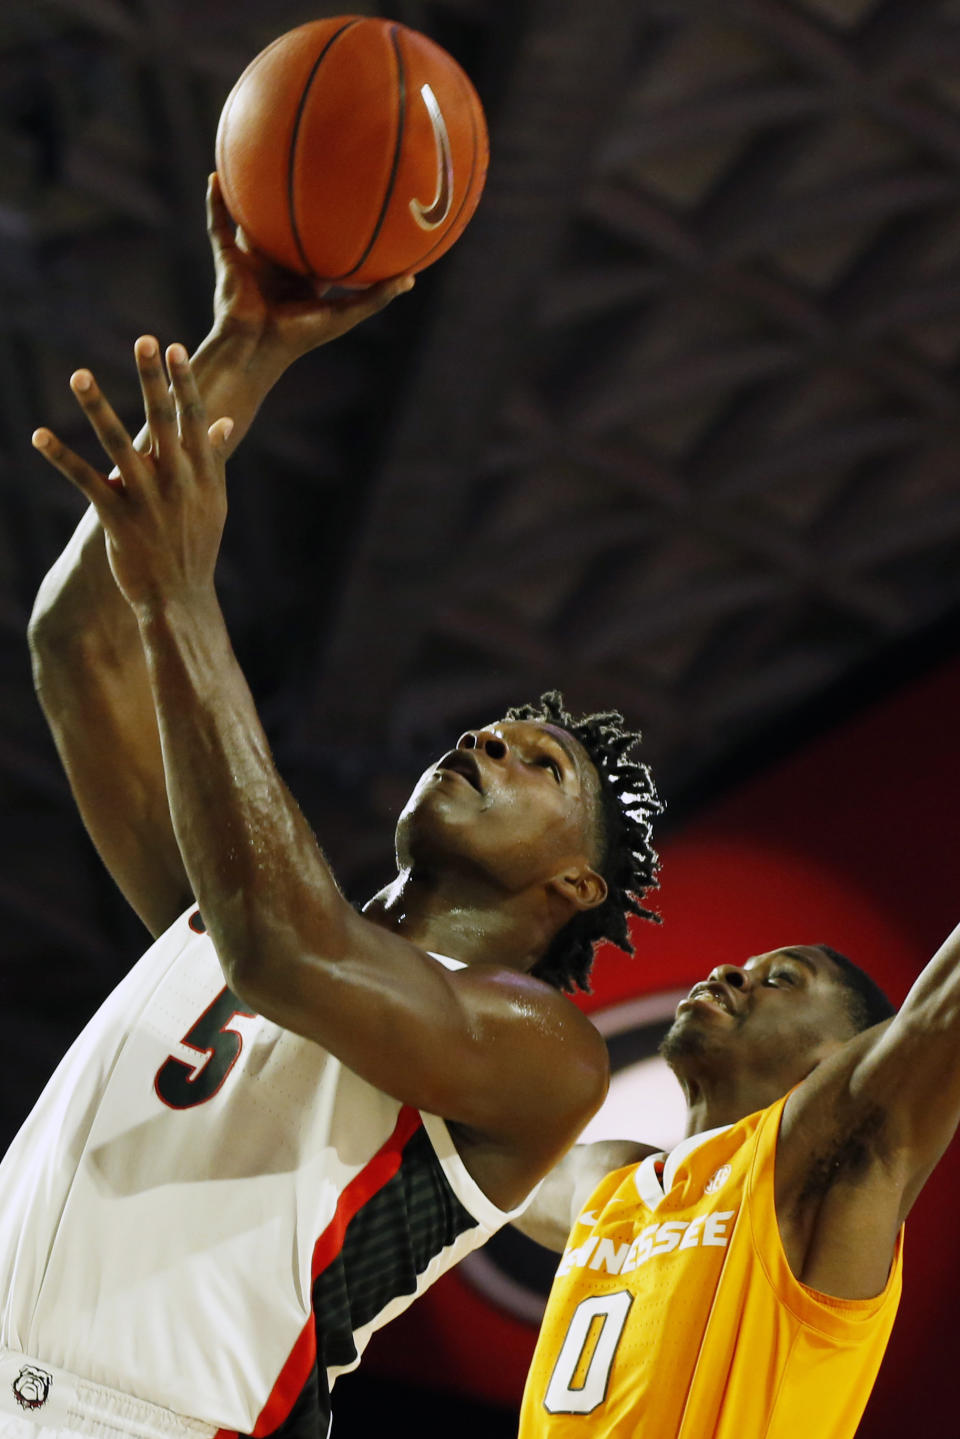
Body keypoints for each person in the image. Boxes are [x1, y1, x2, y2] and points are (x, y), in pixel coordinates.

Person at [2, 177, 662, 1439]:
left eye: (540, 764)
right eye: (494, 727)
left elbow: (291, 947)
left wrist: (185, 598)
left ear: (571, 885)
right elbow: (76, 648)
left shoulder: (544, 1056)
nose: (491, 739)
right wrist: (242, 352)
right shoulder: (223, 916)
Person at [511, 934, 960, 1439]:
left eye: (782, 979)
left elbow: (940, 1015)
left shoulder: (813, 1171)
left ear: (842, 1057)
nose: (730, 972)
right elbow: (466, 1152)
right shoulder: (608, 1182)